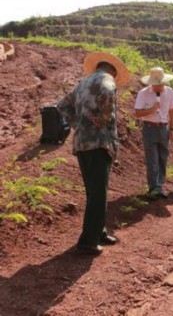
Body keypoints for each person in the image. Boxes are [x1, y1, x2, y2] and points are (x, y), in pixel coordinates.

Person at [58, 51, 131, 255]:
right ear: (112, 70)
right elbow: (108, 93)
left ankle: (98, 231)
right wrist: (105, 118)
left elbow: (62, 105)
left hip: (82, 143)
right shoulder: (106, 80)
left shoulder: (83, 82)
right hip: (98, 143)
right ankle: (88, 241)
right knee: (99, 192)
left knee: (95, 190)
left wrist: (78, 124)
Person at [134, 67, 173, 199]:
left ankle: (160, 186)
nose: (159, 87)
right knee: (152, 159)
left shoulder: (169, 92)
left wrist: (172, 129)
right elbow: (137, 113)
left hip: (164, 128)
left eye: (161, 84)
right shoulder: (143, 93)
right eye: (156, 84)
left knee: (163, 158)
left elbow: (172, 111)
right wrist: (152, 109)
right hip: (149, 128)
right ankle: (153, 188)